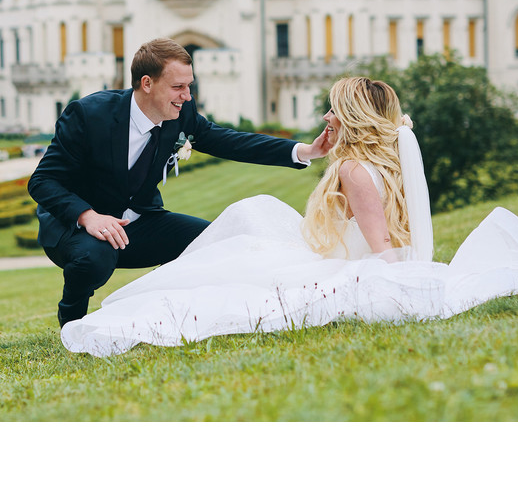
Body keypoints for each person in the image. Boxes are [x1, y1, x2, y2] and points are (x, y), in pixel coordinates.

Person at [60, 76, 518, 357]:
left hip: (343, 264)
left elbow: (379, 247)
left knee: (245, 230)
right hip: (92, 224)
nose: (326, 116)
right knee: (248, 221)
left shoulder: (354, 168)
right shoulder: (375, 162)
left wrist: (398, 281)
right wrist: (309, 151)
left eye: (333, 109)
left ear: (349, 118)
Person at [28, 38, 332, 327]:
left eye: (189, 86)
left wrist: (304, 151)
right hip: (77, 229)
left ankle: (170, 317)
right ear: (147, 83)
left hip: (140, 222)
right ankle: (72, 320)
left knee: (214, 243)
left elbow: (229, 141)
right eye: (178, 87)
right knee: (96, 257)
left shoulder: (181, 113)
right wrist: (88, 216)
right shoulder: (88, 114)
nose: (187, 96)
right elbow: (42, 181)